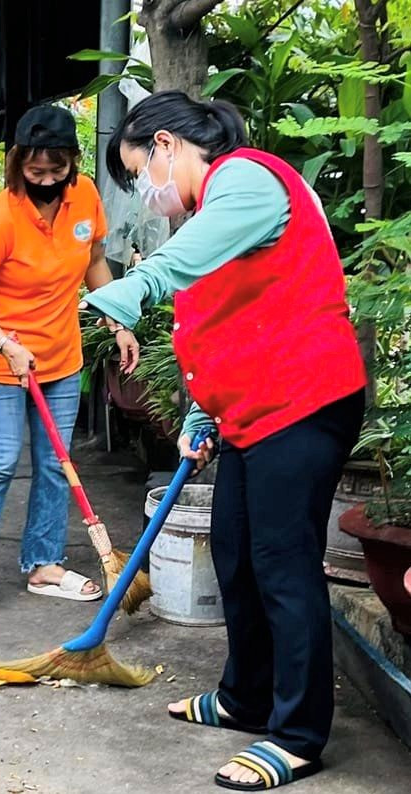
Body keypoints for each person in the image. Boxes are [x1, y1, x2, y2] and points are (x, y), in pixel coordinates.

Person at [83, 91, 365, 791]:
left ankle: (298, 734)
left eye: (139, 173)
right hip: (252, 413)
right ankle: (246, 697)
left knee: (282, 563)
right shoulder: (211, 217)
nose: (145, 195)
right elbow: (223, 324)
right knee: (236, 556)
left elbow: (178, 269)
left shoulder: (245, 177)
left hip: (305, 403)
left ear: (168, 146)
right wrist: (200, 416)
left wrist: (131, 287)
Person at [0, 105, 140, 621]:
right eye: (35, 172)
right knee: (0, 461)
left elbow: (94, 262)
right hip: (2, 361)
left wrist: (118, 322)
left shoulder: (86, 196)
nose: (47, 181)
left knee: (55, 464)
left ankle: (44, 565)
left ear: (72, 163)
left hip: (61, 357)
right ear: (17, 165)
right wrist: (6, 343)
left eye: (57, 171)